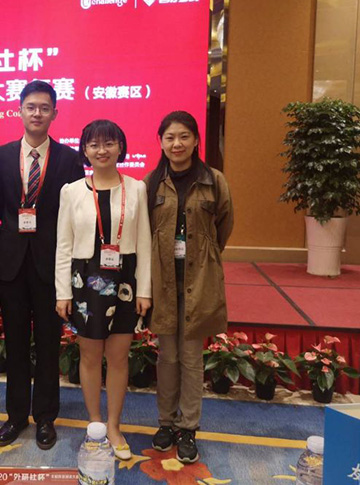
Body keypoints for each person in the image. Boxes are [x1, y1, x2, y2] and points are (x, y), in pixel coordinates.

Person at [0, 80, 85, 450]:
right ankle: (15, 416)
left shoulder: (68, 159)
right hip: (12, 264)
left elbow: (75, 215)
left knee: (48, 343)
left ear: (54, 113)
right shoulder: (0, 156)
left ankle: (45, 417)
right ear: (19, 110)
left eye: (44, 108)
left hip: (51, 264)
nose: (37, 113)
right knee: (15, 343)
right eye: (31, 107)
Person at [55, 119, 152, 461]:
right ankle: (95, 423)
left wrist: (145, 289)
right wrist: (62, 292)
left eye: (109, 143)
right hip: (86, 280)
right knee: (90, 355)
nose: (102, 150)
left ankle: (113, 425)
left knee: (119, 356)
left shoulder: (137, 188)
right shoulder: (71, 191)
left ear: (120, 147)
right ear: (84, 150)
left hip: (125, 279)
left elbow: (144, 243)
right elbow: (63, 246)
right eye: (94, 144)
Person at [144, 111, 234, 464]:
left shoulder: (214, 181)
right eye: (169, 137)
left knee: (192, 357)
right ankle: (166, 423)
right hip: (163, 281)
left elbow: (224, 225)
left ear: (196, 140)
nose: (177, 143)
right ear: (161, 142)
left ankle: (188, 427)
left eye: (184, 136)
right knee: (168, 356)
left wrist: (204, 255)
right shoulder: (152, 182)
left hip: (200, 279)